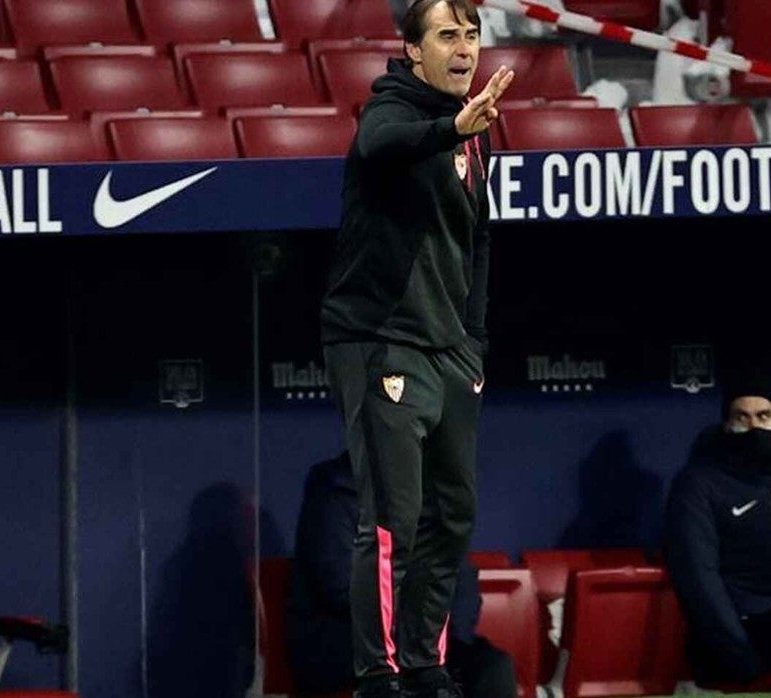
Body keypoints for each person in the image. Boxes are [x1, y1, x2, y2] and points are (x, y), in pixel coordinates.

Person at [318, 0, 514, 696]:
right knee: (393, 520)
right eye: (446, 34)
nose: (463, 47)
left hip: (449, 352)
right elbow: (381, 147)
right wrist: (451, 127)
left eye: (470, 34)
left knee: (452, 513)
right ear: (411, 50)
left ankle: (425, 663)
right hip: (381, 342)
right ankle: (380, 675)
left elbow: (478, 243)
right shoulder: (393, 106)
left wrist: (474, 344)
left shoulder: (475, 134)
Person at [286, 452, 517, 698]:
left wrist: (453, 638)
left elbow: (461, 581)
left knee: (492, 667)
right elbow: (341, 586)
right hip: (347, 645)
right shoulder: (333, 489)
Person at [662, 371, 771, 691]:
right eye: (741, 418)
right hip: (743, 644)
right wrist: (742, 660)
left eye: (764, 416)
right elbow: (697, 576)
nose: (754, 428)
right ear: (726, 425)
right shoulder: (697, 484)